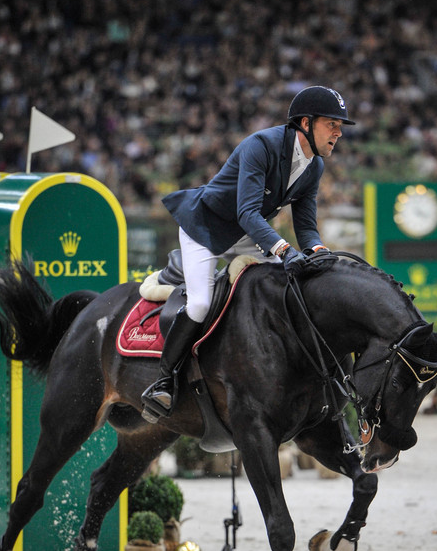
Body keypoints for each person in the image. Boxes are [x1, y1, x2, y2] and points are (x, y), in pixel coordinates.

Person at [141, 85, 355, 420]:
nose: (339, 133)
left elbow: (306, 225)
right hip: (206, 228)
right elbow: (248, 212)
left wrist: (316, 250)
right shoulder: (262, 146)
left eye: (340, 126)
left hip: (246, 234)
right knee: (199, 302)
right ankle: (163, 382)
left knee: (286, 290)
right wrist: (284, 250)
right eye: (332, 124)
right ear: (305, 123)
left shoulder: (314, 166)